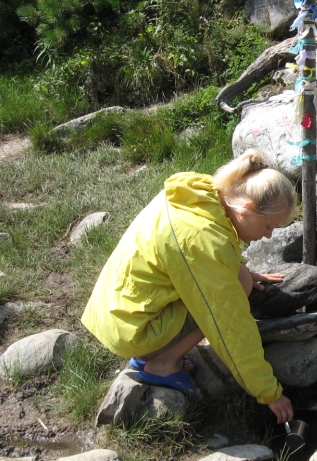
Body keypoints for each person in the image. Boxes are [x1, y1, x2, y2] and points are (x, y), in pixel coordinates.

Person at [81, 149, 296, 424]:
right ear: (246, 208)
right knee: (236, 288)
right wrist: (268, 392)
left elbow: (190, 260)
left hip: (117, 310)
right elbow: (230, 326)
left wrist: (241, 269)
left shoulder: (197, 197)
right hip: (132, 330)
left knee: (240, 277)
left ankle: (152, 353)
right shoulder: (201, 239)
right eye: (268, 226)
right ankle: (163, 363)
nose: (268, 235)